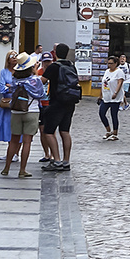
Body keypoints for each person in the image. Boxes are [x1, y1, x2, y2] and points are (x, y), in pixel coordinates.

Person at [2, 54, 47, 178]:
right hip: (31, 112)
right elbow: (41, 94)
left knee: (14, 141)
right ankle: (22, 170)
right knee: (27, 142)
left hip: (16, 112)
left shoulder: (15, 80)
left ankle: (6, 168)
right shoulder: (35, 80)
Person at [39, 43, 80, 171]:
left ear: (55, 53)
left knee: (49, 131)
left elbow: (43, 81)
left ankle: (56, 160)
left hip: (56, 102)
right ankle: (66, 160)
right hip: (69, 101)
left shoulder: (54, 67)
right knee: (65, 131)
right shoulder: (71, 66)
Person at [99, 55, 126, 141]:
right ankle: (108, 131)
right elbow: (103, 83)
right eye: (108, 63)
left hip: (115, 97)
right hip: (106, 96)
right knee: (101, 113)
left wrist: (115, 93)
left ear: (115, 64)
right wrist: (100, 95)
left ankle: (115, 133)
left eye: (111, 63)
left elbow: (120, 83)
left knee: (114, 115)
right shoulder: (107, 71)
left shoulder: (119, 72)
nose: (109, 65)